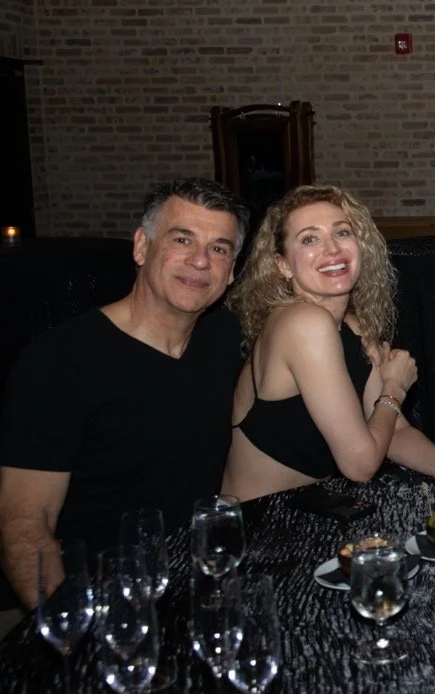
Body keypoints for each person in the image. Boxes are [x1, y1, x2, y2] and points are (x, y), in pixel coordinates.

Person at [0, 178, 249, 624]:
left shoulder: (223, 338)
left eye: (219, 249)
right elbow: (24, 525)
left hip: (191, 595)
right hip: (92, 602)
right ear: (141, 247)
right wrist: (73, 631)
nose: (199, 260)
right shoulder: (61, 361)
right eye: (182, 239)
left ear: (231, 271)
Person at [220, 185, 435, 502]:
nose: (332, 249)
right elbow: (360, 464)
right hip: (258, 530)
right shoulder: (303, 324)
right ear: (283, 265)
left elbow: (392, 432)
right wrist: (394, 387)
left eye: (342, 233)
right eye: (309, 239)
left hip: (314, 516)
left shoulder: (352, 326)